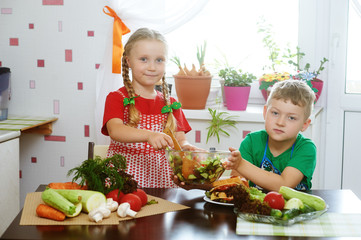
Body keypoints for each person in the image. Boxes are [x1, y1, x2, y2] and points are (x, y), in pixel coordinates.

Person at [101, 28, 197, 188]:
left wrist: (187, 148)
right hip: (124, 181)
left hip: (162, 182)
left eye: (159, 60)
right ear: (128, 61)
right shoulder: (117, 98)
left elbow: (179, 140)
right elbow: (115, 131)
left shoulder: (171, 103)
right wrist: (149, 135)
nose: (152, 67)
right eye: (144, 59)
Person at [225, 79, 316, 192]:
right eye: (275, 113)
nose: (280, 122)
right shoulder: (251, 142)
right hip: (257, 208)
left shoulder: (306, 148)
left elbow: (285, 184)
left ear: (305, 124)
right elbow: (237, 183)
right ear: (265, 112)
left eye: (291, 118)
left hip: (294, 208)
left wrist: (241, 165)